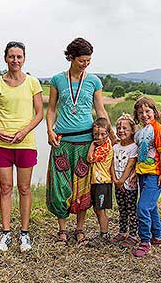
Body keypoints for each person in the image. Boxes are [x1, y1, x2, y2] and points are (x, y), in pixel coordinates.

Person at [46, 37, 116, 245]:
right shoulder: (57, 80)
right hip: (62, 142)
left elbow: (100, 110)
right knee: (60, 187)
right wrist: (49, 130)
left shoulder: (94, 81)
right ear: (71, 57)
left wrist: (111, 136)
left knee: (82, 187)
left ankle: (80, 229)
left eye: (88, 60)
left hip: (86, 142)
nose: (85, 64)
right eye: (82, 60)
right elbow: (51, 110)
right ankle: (62, 230)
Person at [0, 41, 43, 252]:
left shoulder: (33, 83)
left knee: (24, 188)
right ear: (5, 58)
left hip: (25, 143)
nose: (15, 60)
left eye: (19, 56)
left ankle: (24, 233)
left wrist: (24, 131)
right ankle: (6, 232)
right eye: (11, 56)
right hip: (2, 143)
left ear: (24, 59)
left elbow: (40, 113)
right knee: (5, 188)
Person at [132, 96, 161, 257]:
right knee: (151, 207)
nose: (144, 115)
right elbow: (139, 155)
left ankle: (145, 241)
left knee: (143, 207)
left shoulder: (157, 129)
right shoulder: (140, 133)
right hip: (142, 174)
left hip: (154, 174)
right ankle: (157, 236)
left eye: (148, 111)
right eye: (140, 112)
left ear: (154, 111)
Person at [110, 114, 138, 247]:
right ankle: (122, 232)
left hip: (129, 185)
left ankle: (133, 234)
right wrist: (115, 179)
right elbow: (111, 164)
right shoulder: (115, 147)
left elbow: (130, 165)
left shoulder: (134, 147)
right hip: (117, 183)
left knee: (131, 209)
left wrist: (121, 180)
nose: (121, 130)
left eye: (125, 128)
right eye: (119, 128)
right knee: (122, 209)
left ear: (132, 130)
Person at [87, 117, 113, 245]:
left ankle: (105, 234)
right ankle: (103, 232)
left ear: (108, 133)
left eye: (103, 134)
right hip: (96, 182)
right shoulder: (101, 144)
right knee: (97, 209)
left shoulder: (105, 146)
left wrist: (92, 145)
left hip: (103, 182)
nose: (99, 137)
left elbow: (90, 158)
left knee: (100, 209)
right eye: (96, 134)